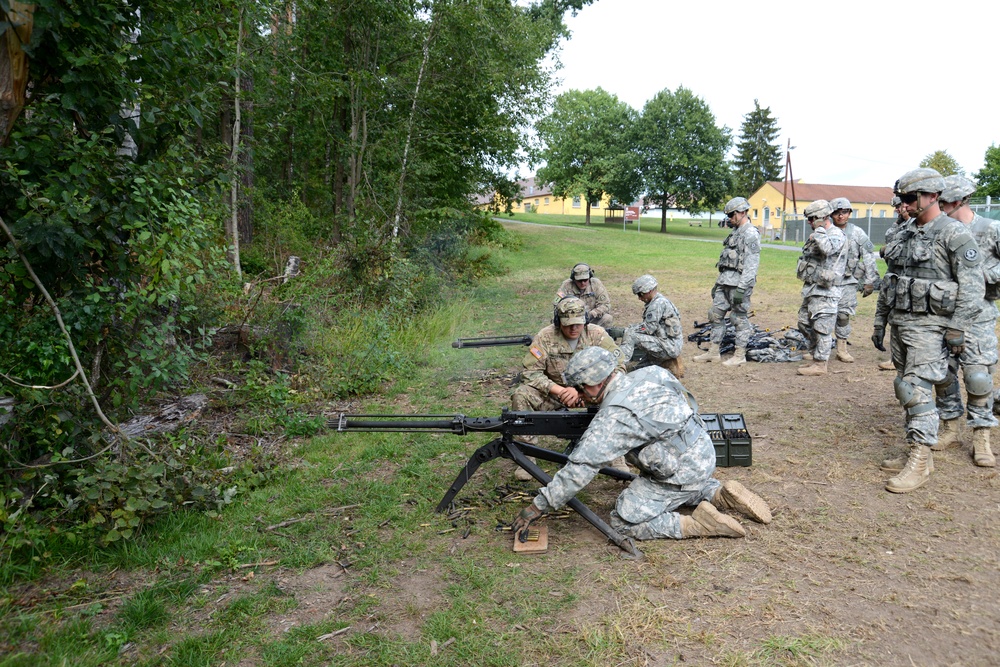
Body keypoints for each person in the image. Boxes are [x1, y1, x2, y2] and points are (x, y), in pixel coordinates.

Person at [509, 346, 772, 541]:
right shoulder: (650, 373)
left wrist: (536, 507)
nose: (579, 394)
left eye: (581, 388)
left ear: (594, 383)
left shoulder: (614, 418)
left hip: (680, 470)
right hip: (702, 450)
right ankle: (717, 493)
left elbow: (579, 470)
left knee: (623, 519)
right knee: (671, 475)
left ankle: (697, 525)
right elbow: (689, 401)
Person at [874, 168, 984, 493]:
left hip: (932, 328)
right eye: (902, 199)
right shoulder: (904, 232)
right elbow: (890, 280)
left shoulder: (954, 234)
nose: (905, 205)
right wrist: (881, 320)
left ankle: (920, 461)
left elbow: (972, 287)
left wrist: (957, 328)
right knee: (904, 388)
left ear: (933, 196)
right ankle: (916, 447)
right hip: (902, 323)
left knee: (916, 388)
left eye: (910, 198)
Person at [510, 296, 626, 480]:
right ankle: (527, 454)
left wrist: (586, 391)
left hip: (594, 393)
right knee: (521, 394)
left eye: (578, 324)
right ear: (558, 322)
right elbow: (531, 372)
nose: (574, 328)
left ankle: (617, 456)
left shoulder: (597, 334)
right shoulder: (545, 337)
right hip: (556, 394)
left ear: (585, 321)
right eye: (568, 324)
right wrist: (558, 390)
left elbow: (618, 367)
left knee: (617, 392)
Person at [932, 175, 998, 467]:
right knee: (942, 374)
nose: (939, 205)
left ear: (959, 200)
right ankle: (950, 428)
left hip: (978, 316)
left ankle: (982, 435)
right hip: (942, 314)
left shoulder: (989, 229)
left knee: (978, 377)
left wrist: (984, 276)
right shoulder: (938, 230)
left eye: (943, 201)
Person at [693, 197, 761, 367]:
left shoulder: (751, 233)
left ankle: (739, 355)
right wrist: (718, 284)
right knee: (715, 315)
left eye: (732, 214)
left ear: (743, 212)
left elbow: (752, 265)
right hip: (725, 283)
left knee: (739, 319)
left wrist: (742, 288)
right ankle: (713, 352)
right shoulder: (735, 232)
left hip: (738, 285)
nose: (730, 218)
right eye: (728, 215)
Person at [794, 200, 847, 376]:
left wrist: (819, 231)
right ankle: (815, 353)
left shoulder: (835, 234)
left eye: (811, 219)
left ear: (821, 217)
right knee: (803, 322)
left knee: (822, 328)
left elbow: (827, 249)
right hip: (812, 289)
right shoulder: (821, 233)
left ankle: (821, 363)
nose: (809, 222)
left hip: (827, 291)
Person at [829, 197, 879, 363]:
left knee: (843, 315)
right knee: (822, 315)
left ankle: (841, 348)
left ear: (849, 213)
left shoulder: (857, 233)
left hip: (847, 282)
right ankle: (817, 346)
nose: (840, 216)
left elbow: (869, 257)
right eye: (836, 212)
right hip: (826, 283)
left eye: (844, 212)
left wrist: (870, 280)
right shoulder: (825, 231)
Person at [618, 274, 685, 378]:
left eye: (640, 294)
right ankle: (667, 362)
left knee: (631, 335)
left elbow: (648, 328)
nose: (639, 298)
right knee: (637, 371)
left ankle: (617, 366)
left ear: (648, 291)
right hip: (669, 343)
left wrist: (631, 329)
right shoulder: (661, 300)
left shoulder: (656, 305)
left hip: (667, 346)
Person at [875, 196, 910, 371]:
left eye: (899, 206)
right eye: (895, 207)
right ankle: (895, 356)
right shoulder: (899, 225)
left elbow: (894, 248)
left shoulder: (914, 224)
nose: (897, 209)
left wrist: (885, 250)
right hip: (894, 274)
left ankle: (900, 358)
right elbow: (890, 239)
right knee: (892, 314)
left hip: (907, 276)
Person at [555, 263, 613, 329]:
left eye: (585, 280)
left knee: (607, 318)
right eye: (579, 280)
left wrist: (593, 313)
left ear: (590, 277)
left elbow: (605, 304)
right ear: (573, 279)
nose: (583, 283)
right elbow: (557, 304)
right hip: (572, 321)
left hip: (591, 318)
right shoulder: (566, 285)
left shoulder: (596, 284)